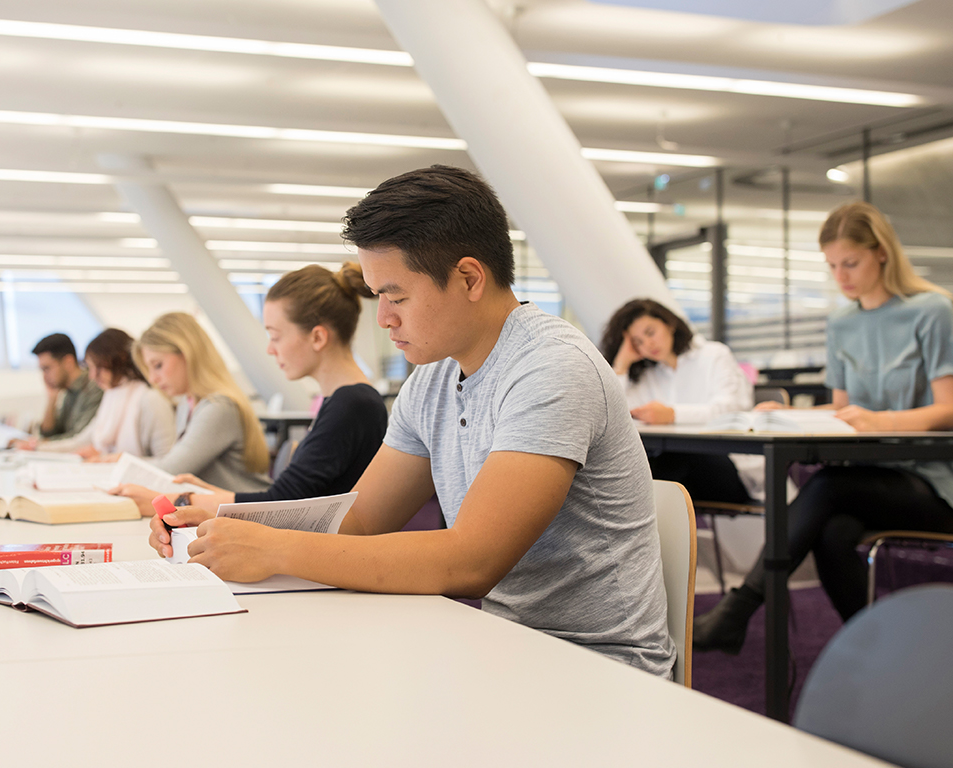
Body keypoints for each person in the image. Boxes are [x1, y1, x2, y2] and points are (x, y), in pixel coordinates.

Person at [152, 165, 674, 677]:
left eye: (396, 296)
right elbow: (361, 521)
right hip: (503, 645)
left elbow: (471, 561)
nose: (383, 319)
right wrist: (228, 527)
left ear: (469, 277)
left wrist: (276, 548)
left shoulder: (552, 368)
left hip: (600, 669)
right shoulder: (433, 377)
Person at [694, 201, 953, 653]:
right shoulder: (842, 323)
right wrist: (790, 414)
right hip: (869, 478)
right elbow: (842, 411)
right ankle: (881, 647)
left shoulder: (932, 311)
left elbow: (948, 409)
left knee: (828, 486)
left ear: (882, 254)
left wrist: (881, 420)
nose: (842, 276)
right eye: (832, 265)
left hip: (932, 481)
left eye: (850, 263)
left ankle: (738, 611)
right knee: (831, 534)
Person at [115, 263, 388, 514]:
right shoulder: (343, 400)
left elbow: (284, 503)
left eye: (275, 336)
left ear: (317, 337)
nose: (270, 349)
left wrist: (183, 501)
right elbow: (290, 497)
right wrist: (209, 493)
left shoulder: (352, 403)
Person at [601, 298, 762, 504]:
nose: (648, 344)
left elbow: (729, 410)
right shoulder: (649, 375)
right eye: (637, 342)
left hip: (732, 468)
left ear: (669, 323)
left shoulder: (713, 355)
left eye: (650, 333)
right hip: (682, 475)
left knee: (669, 462)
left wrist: (672, 414)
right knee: (640, 464)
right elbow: (616, 414)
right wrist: (622, 364)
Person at [128, 312, 272, 493]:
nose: (152, 379)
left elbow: (171, 470)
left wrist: (123, 465)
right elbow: (171, 462)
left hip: (247, 512)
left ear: (188, 354)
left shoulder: (219, 407)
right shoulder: (186, 405)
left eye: (158, 365)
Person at [38, 328, 176, 460]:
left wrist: (111, 459)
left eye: (99, 368)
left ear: (119, 362)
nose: (92, 376)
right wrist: (37, 448)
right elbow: (81, 441)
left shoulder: (150, 399)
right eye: (90, 368)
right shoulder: (112, 395)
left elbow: (167, 461)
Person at [9, 333, 102, 447]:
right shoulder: (67, 391)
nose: (44, 376)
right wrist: (51, 399)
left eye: (47, 368)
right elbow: (49, 433)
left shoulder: (94, 387)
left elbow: (77, 439)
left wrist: (34, 444)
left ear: (68, 362)